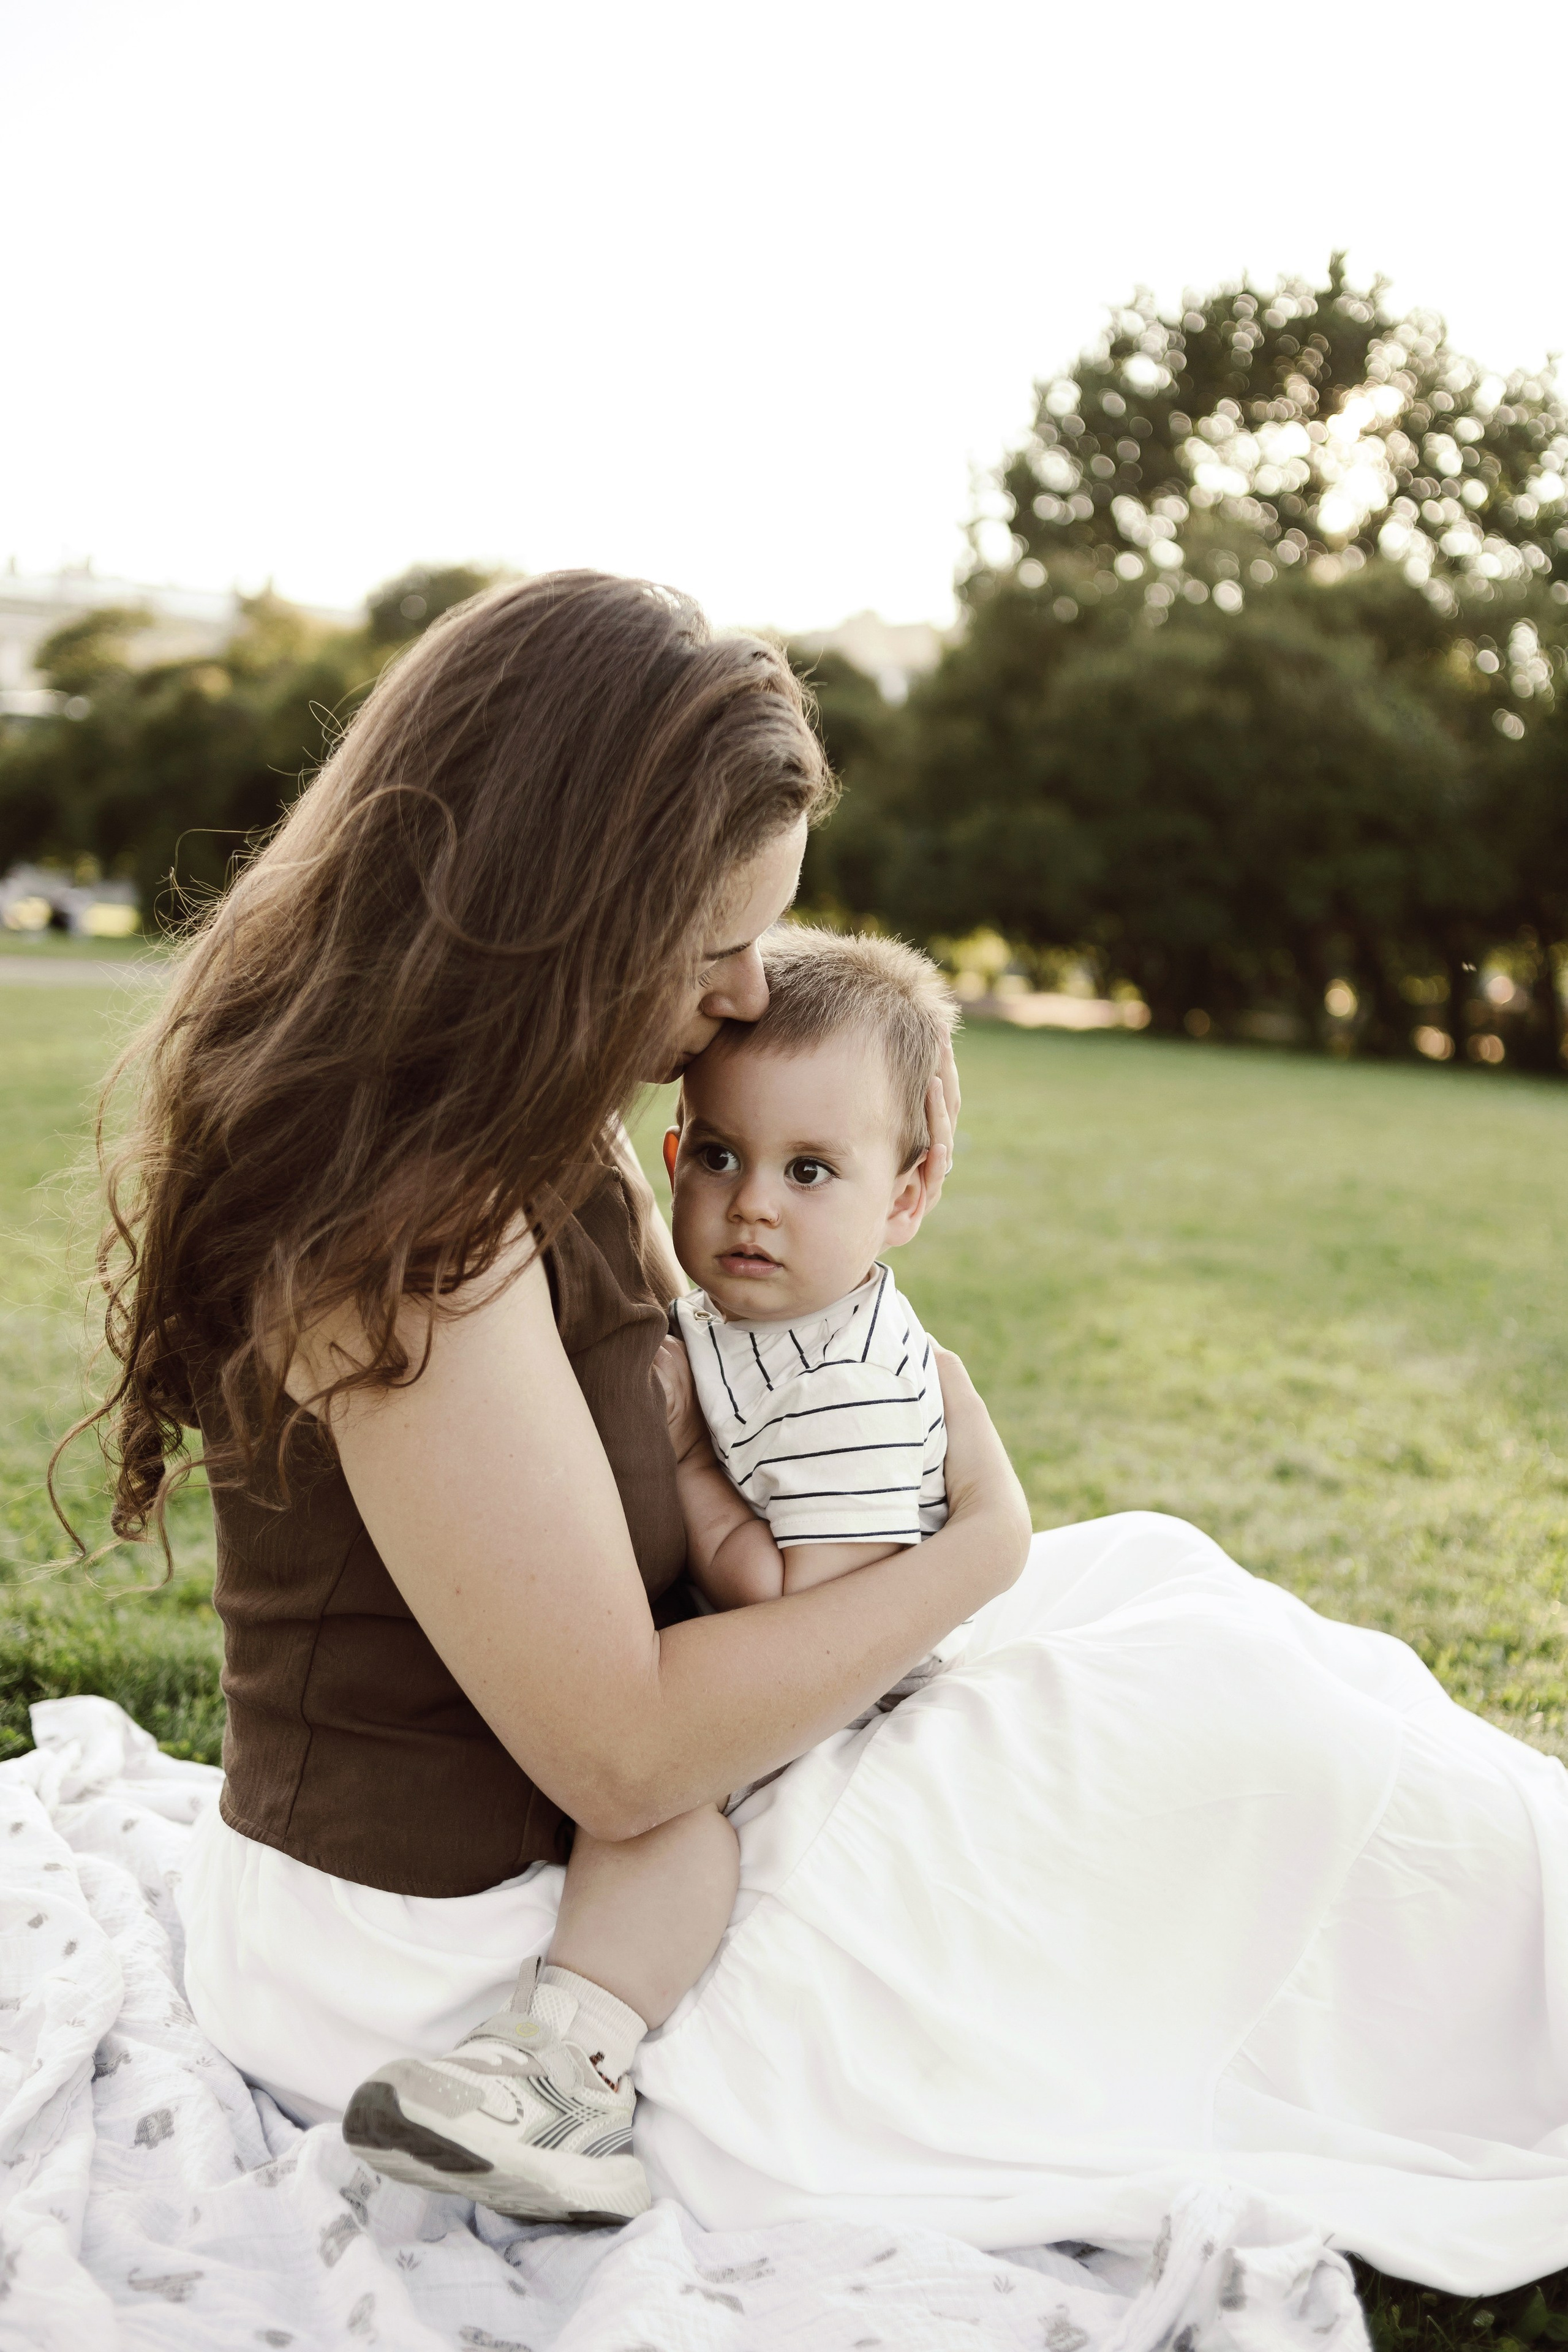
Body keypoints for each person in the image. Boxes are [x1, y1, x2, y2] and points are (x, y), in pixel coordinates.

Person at [74, 570, 1568, 2290]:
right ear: (562, 909)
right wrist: (977, 1551)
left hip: (596, 1852)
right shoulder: (411, 1232)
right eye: (714, 944)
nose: (740, 996)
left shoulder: (523, 1122)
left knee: (1184, 1618)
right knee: (1217, 1750)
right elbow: (621, 1755)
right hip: (473, 1963)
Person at [339, 929, 959, 2215]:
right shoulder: (741, 1314)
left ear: (903, 1197)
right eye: (721, 1157)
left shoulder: (851, 1380)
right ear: (672, 1156)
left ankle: (570, 2073)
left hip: (832, 1678)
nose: (754, 1204)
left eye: (809, 1170)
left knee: (668, 1830)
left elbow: (813, 1605)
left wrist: (679, 1463)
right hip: (743, 1648)